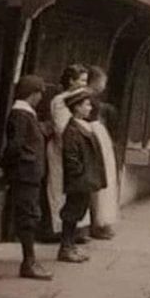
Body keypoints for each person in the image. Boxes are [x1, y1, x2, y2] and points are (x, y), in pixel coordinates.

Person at [2, 75, 52, 280]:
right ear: (33, 94)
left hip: (29, 173)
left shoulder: (26, 114)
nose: (41, 98)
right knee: (27, 217)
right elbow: (15, 145)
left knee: (30, 215)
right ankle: (28, 263)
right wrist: (11, 165)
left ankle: (30, 260)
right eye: (39, 93)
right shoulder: (21, 114)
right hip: (25, 174)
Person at [58, 88, 106, 263]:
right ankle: (65, 247)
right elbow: (71, 157)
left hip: (84, 178)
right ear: (77, 107)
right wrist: (79, 174)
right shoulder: (72, 130)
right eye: (86, 105)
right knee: (72, 212)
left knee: (78, 211)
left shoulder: (82, 126)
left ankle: (70, 245)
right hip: (79, 179)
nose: (90, 108)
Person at [46, 64, 89, 238]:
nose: (84, 84)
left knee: (78, 189)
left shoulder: (82, 99)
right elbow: (61, 128)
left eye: (86, 81)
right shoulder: (60, 101)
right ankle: (60, 230)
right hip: (61, 149)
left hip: (75, 150)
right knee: (60, 189)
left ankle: (76, 230)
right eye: (81, 80)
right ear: (71, 81)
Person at [87, 65, 118, 240]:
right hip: (95, 135)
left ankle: (100, 222)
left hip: (99, 135)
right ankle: (97, 223)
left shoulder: (93, 99)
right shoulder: (88, 98)